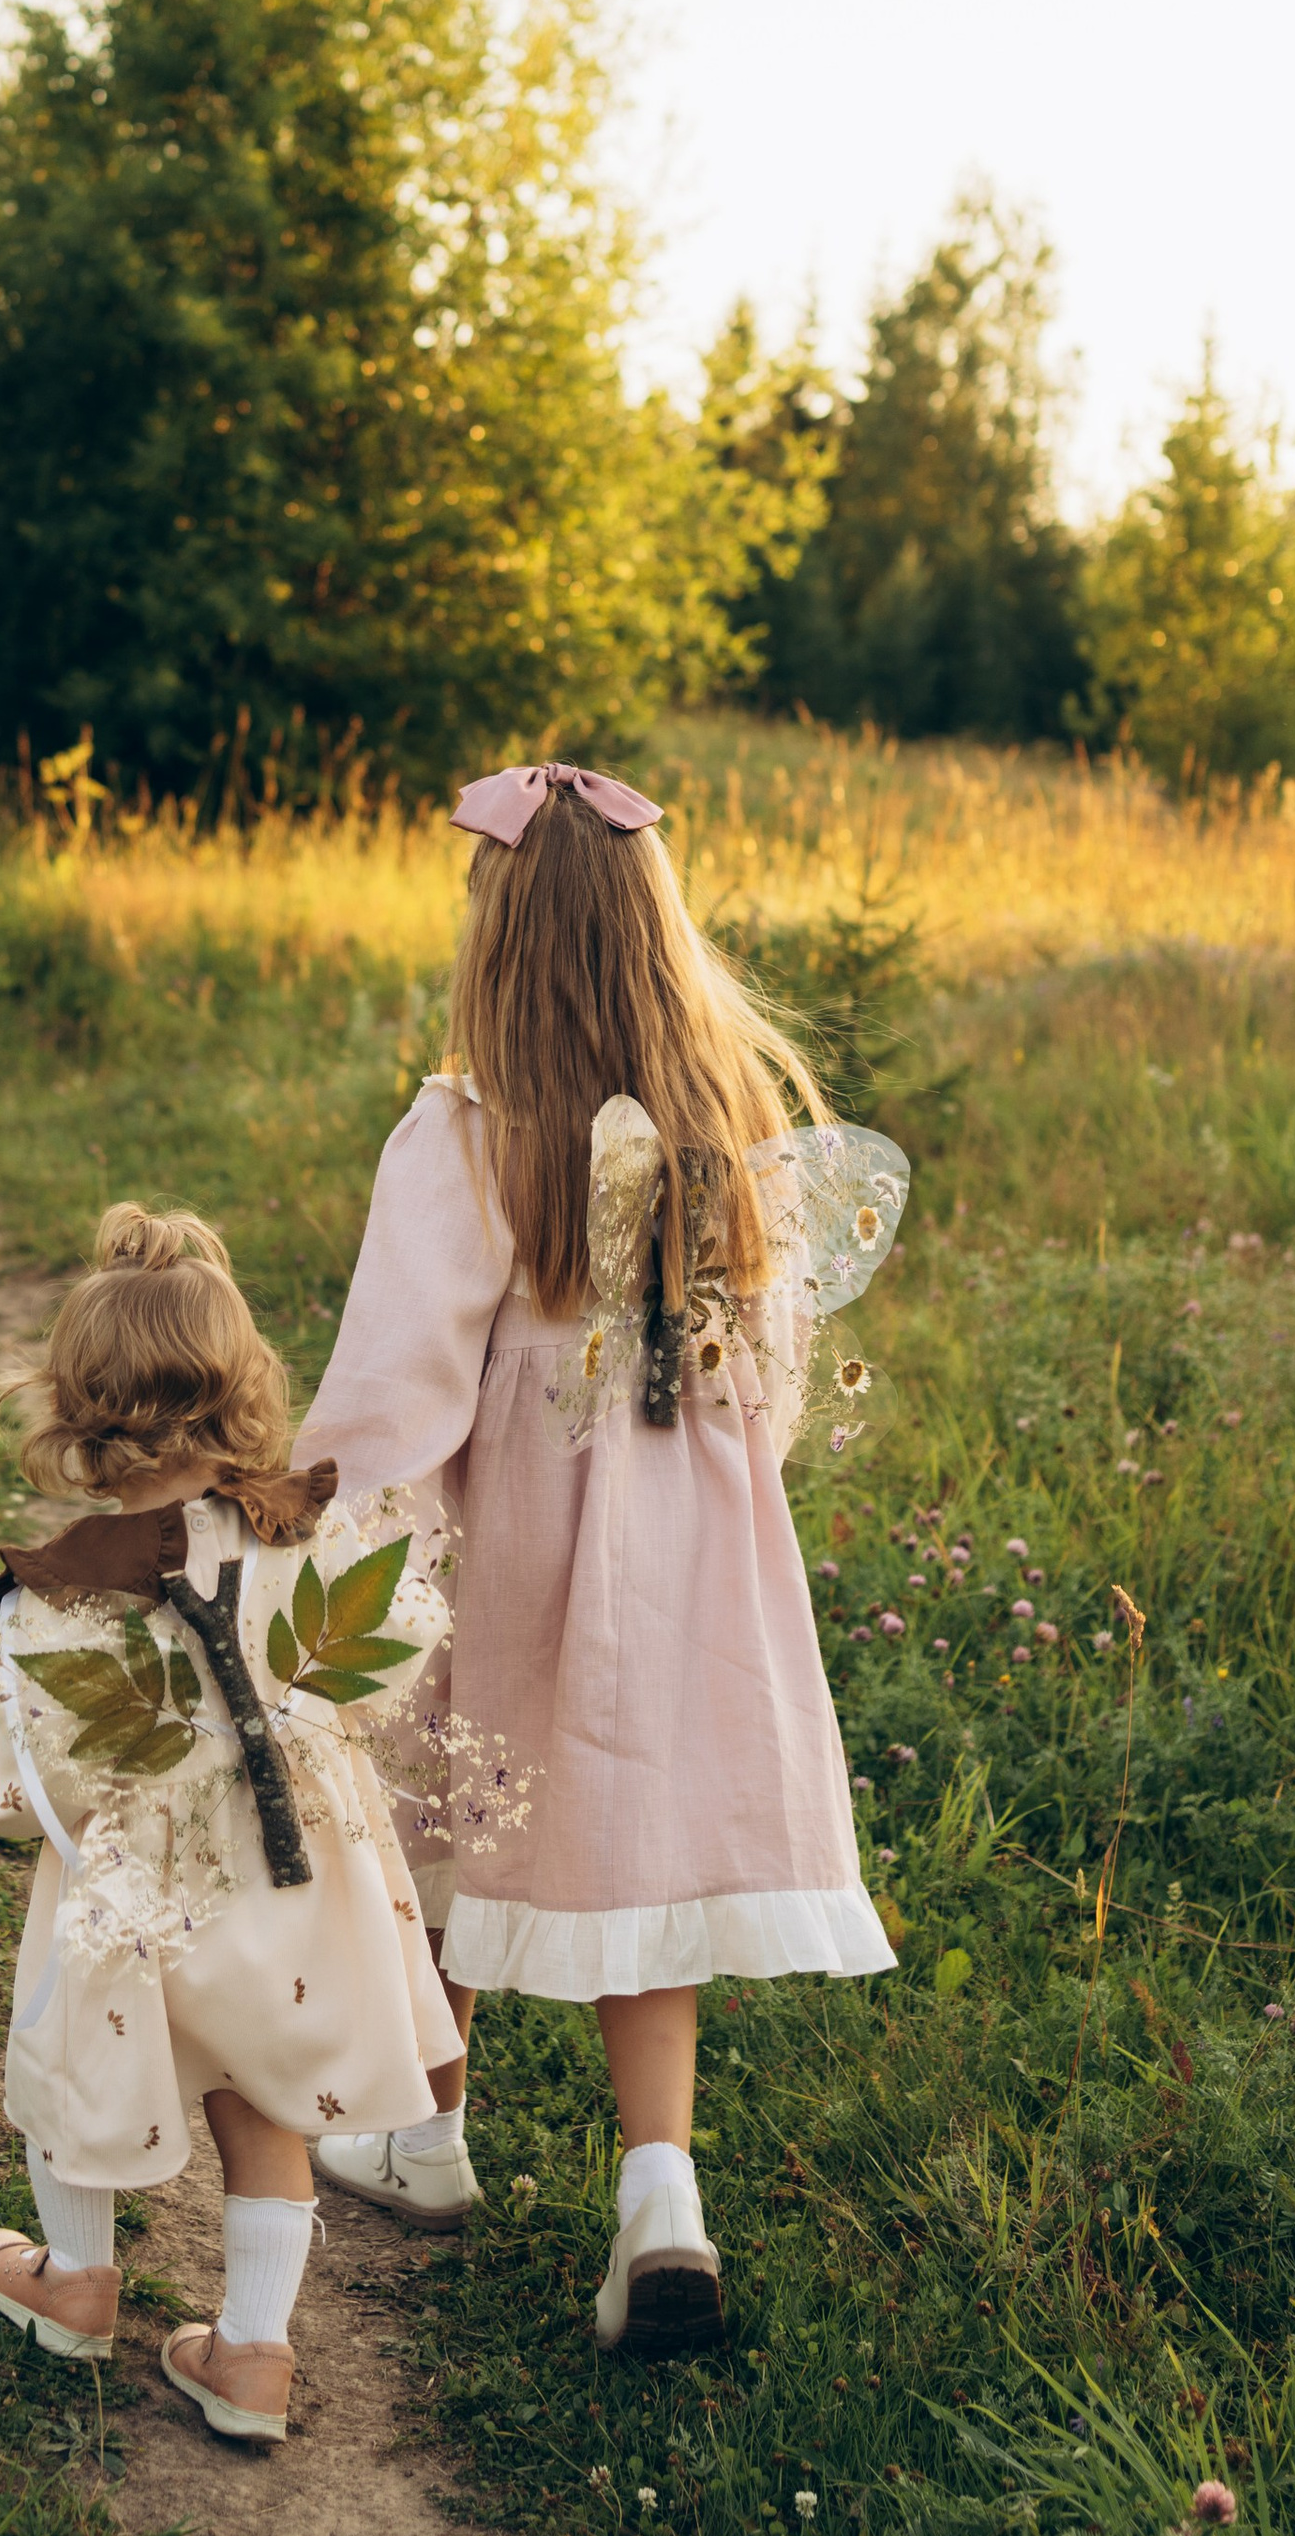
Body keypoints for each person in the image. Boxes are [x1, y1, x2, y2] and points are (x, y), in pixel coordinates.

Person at [296, 760, 908, 2359]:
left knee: (447, 1798)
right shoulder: (732, 1129)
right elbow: (762, 1372)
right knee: (635, 1852)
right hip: (690, 1554)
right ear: (658, 935)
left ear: (496, 940)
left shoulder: (465, 1137)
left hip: (517, 1544)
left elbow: (397, 1387)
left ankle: (429, 2136)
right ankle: (660, 2198)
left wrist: (338, 1535)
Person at [0, 1204, 459, 2444]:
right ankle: (251, 2355)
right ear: (240, 1394)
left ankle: (74, 2285)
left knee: (84, 2063)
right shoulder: (303, 1530)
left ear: (72, 1409)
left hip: (140, 1895)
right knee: (263, 2097)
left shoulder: (60, 1591)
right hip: (291, 1887)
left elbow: (26, 1779)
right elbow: (393, 1657)